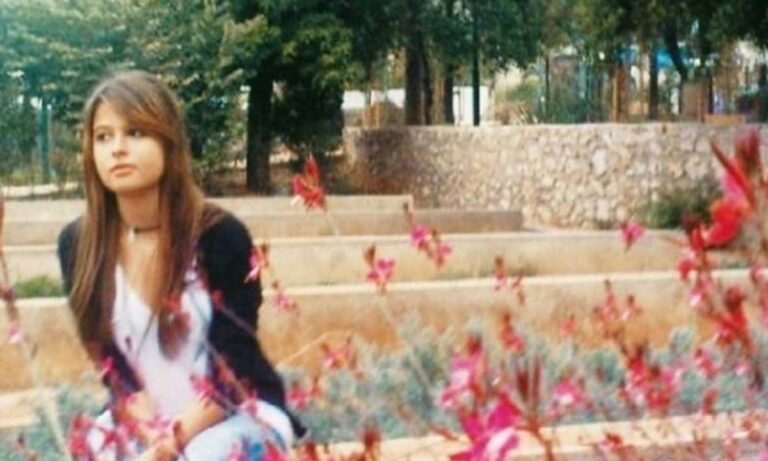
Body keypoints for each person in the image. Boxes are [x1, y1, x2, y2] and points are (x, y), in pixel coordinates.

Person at [57, 70, 304, 460]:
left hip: (233, 412)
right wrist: (149, 433)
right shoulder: (78, 244)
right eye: (103, 136)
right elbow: (111, 364)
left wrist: (173, 441)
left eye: (135, 133)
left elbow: (234, 364)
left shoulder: (220, 235)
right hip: (143, 420)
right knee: (94, 450)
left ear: (167, 141)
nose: (117, 149)